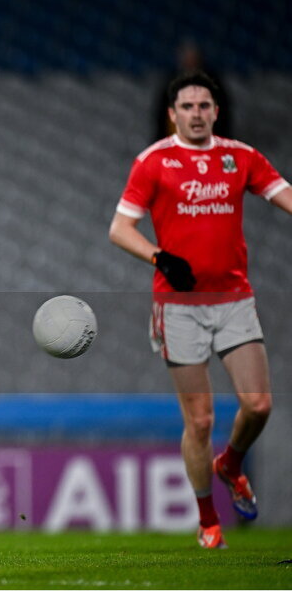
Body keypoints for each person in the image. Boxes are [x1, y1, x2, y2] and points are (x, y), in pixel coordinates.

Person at [109, 71, 291, 549]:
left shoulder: (240, 156)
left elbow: (283, 194)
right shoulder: (153, 162)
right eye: (187, 107)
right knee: (201, 419)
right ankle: (208, 520)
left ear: (216, 111)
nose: (196, 114)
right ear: (172, 114)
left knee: (258, 405)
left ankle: (230, 463)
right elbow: (120, 229)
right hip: (179, 306)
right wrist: (159, 256)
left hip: (234, 300)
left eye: (204, 106)